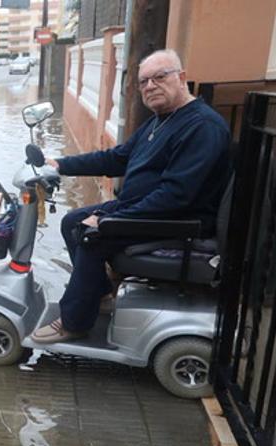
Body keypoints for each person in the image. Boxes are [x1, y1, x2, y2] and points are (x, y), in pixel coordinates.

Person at [31, 49, 231, 344]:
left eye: (159, 77)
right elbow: (117, 158)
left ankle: (74, 321)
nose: (150, 86)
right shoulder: (159, 121)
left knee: (90, 234)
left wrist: (111, 219)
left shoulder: (202, 126)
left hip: (178, 220)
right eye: (144, 81)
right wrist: (60, 165)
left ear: (182, 78)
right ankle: (99, 294)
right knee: (71, 220)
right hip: (146, 208)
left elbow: (176, 196)